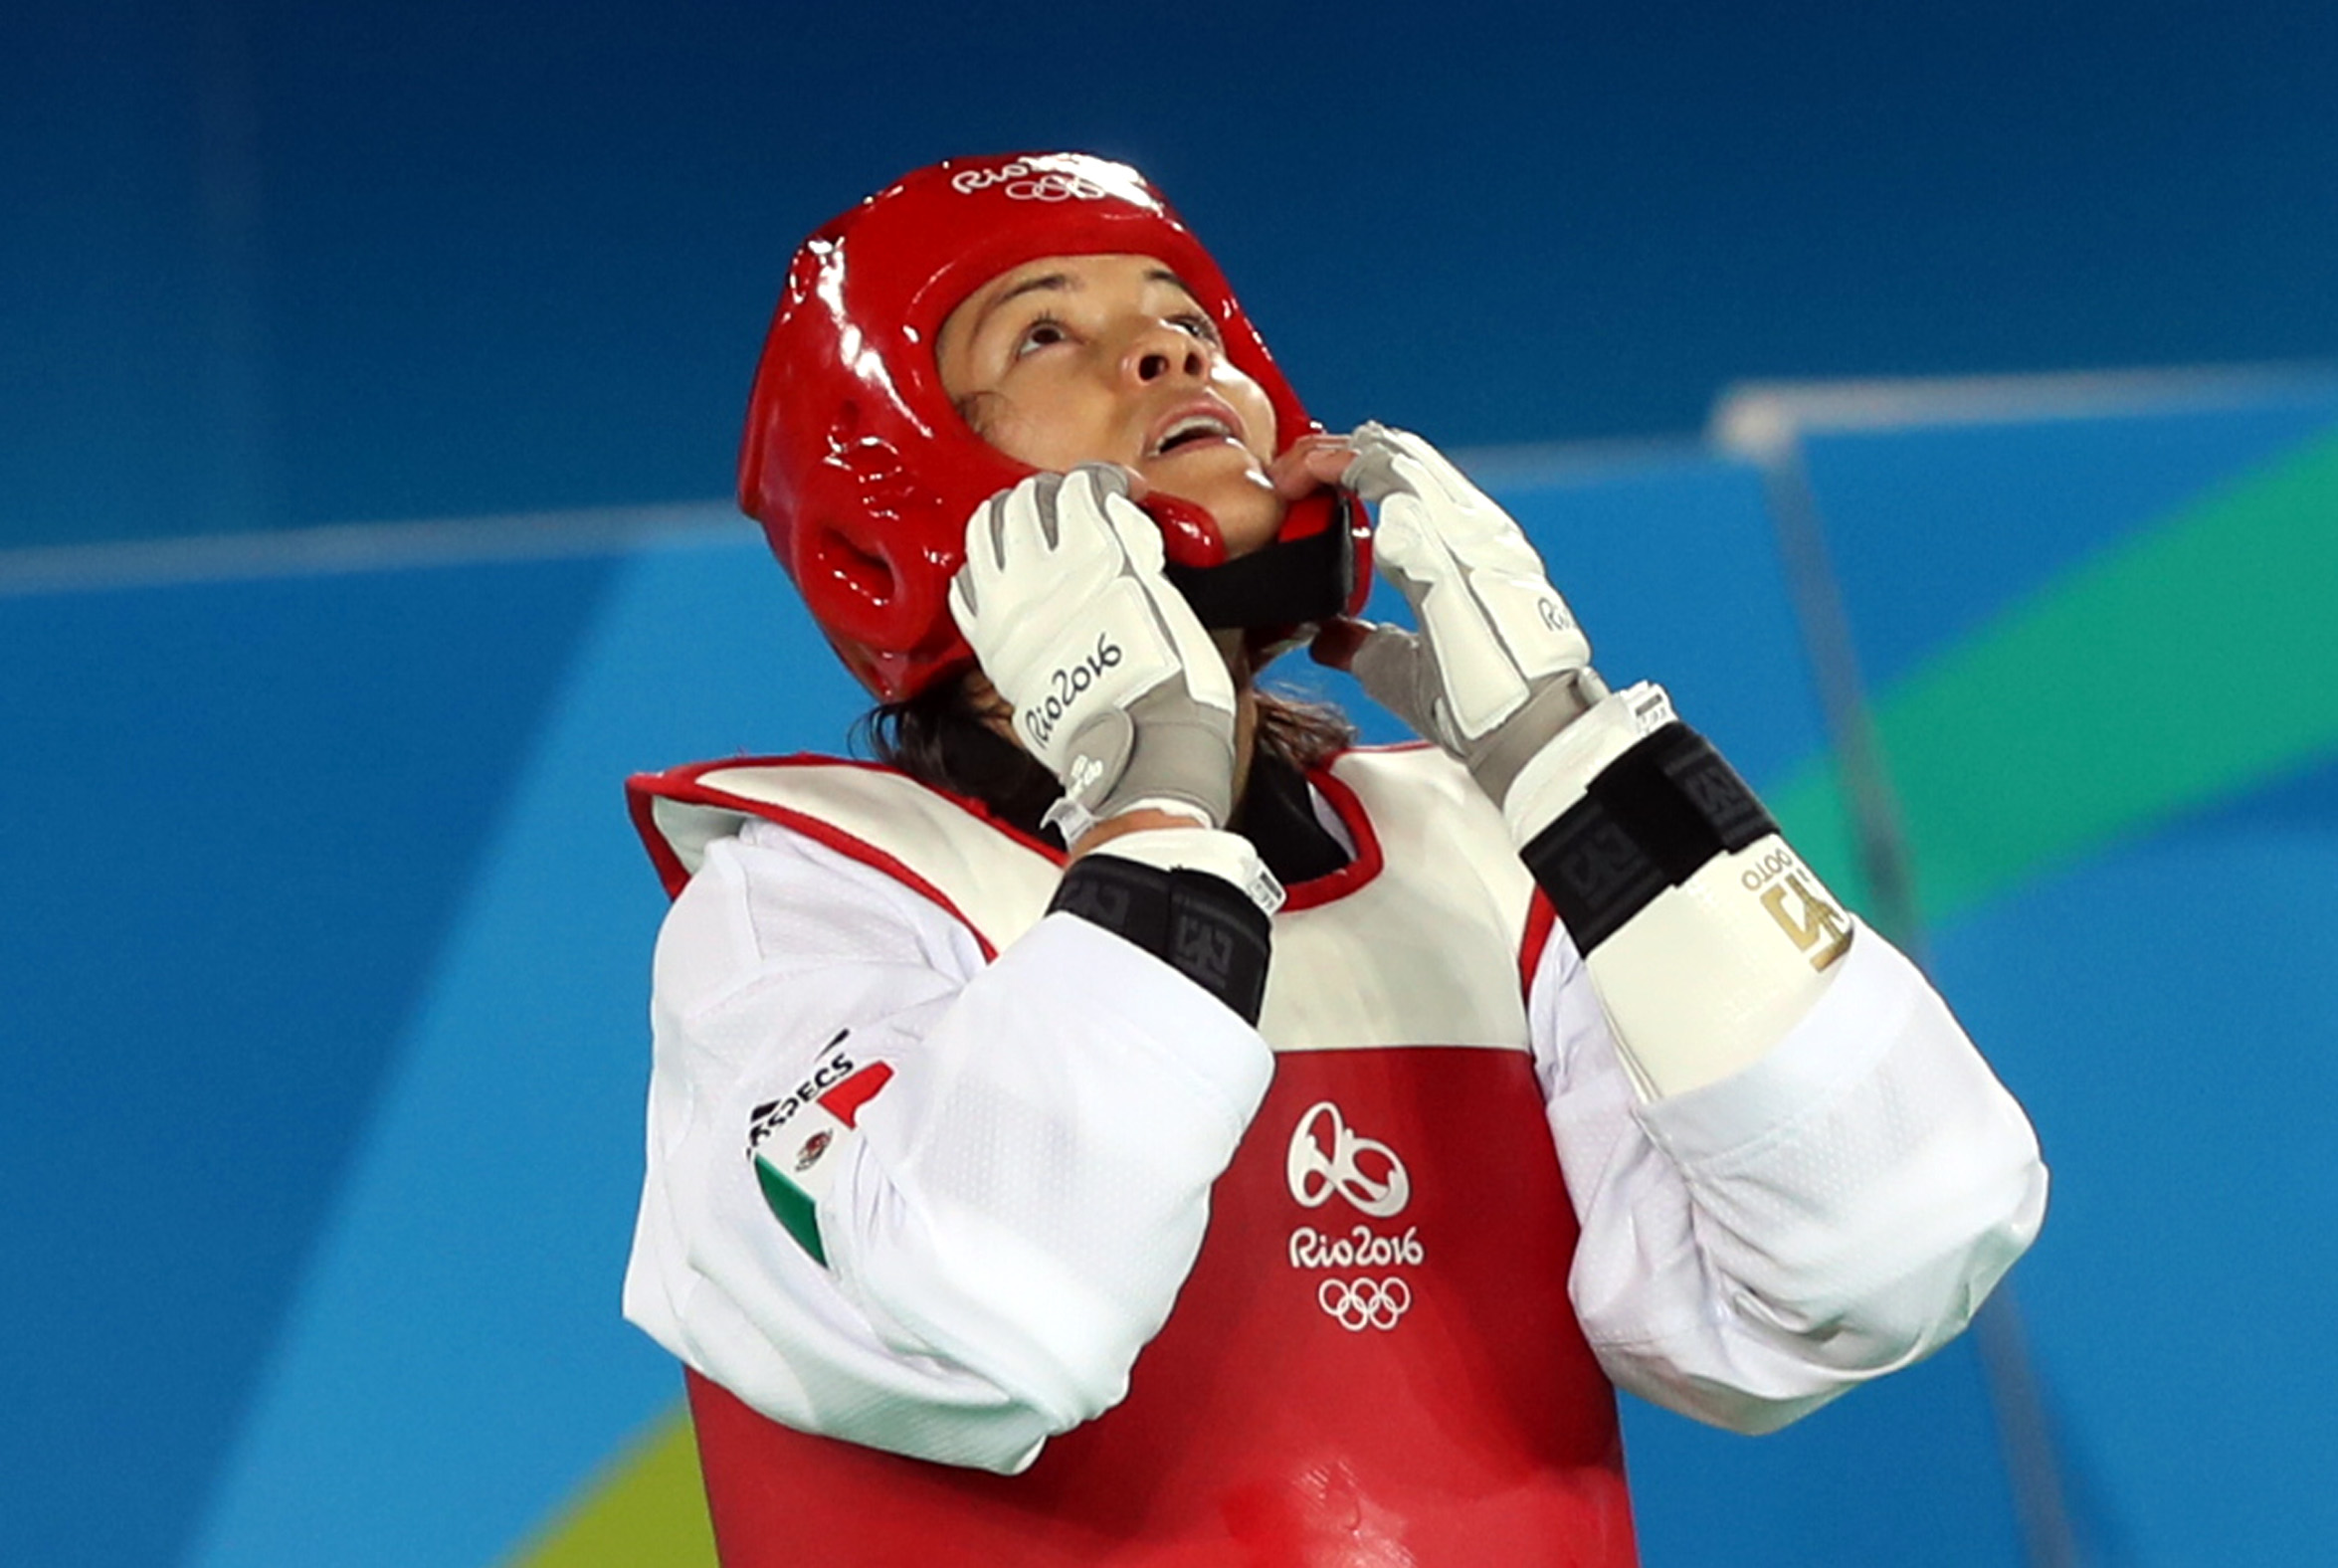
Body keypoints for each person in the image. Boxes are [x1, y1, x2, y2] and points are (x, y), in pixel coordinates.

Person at [622, 151, 2047, 1567]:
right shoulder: (807, 898)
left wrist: (1581, 774)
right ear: (886, 518)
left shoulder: (1476, 865)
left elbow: (1882, 1258)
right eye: (1044, 332)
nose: (1167, 347)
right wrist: (1155, 802)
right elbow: (984, 1323)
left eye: (1185, 315)